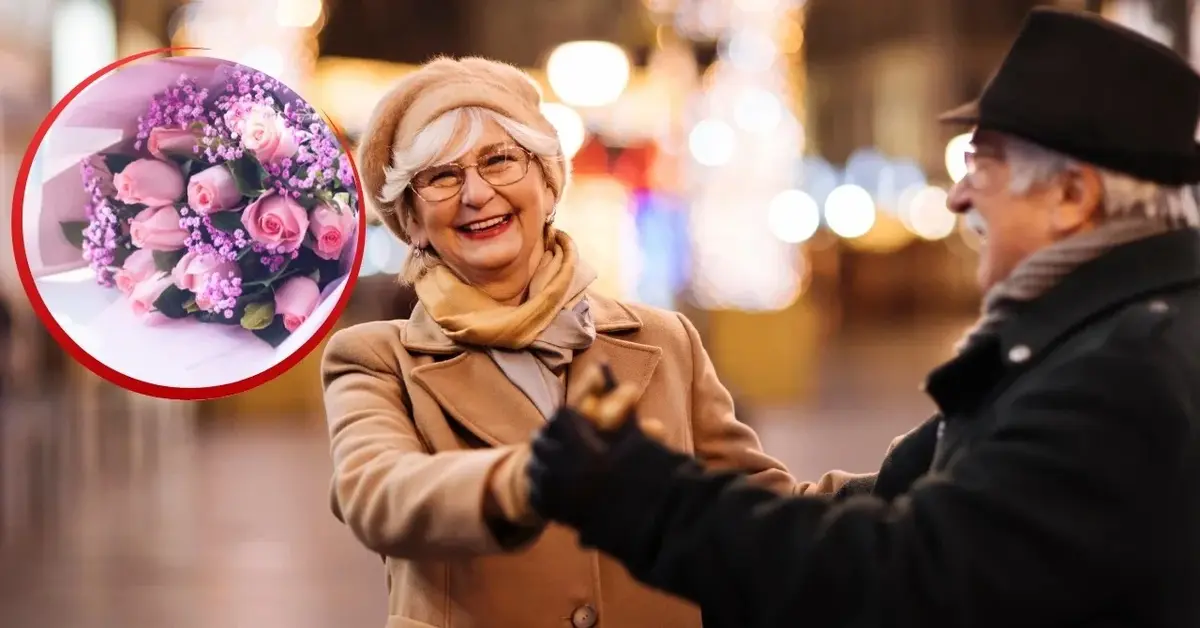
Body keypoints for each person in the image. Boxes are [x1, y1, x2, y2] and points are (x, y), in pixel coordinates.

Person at [524, 8, 1200, 628]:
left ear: (1071, 196)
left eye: (982, 164)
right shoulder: (1099, 335)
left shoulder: (1122, 372)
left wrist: (645, 496)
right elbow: (911, 503)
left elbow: (903, 577)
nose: (961, 195)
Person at [321, 56, 888, 628]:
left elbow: (756, 510)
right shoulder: (375, 358)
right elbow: (376, 493)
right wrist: (530, 478)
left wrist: (894, 480)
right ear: (411, 220)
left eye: (500, 160)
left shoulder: (666, 340)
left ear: (547, 183)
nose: (476, 192)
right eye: (442, 176)